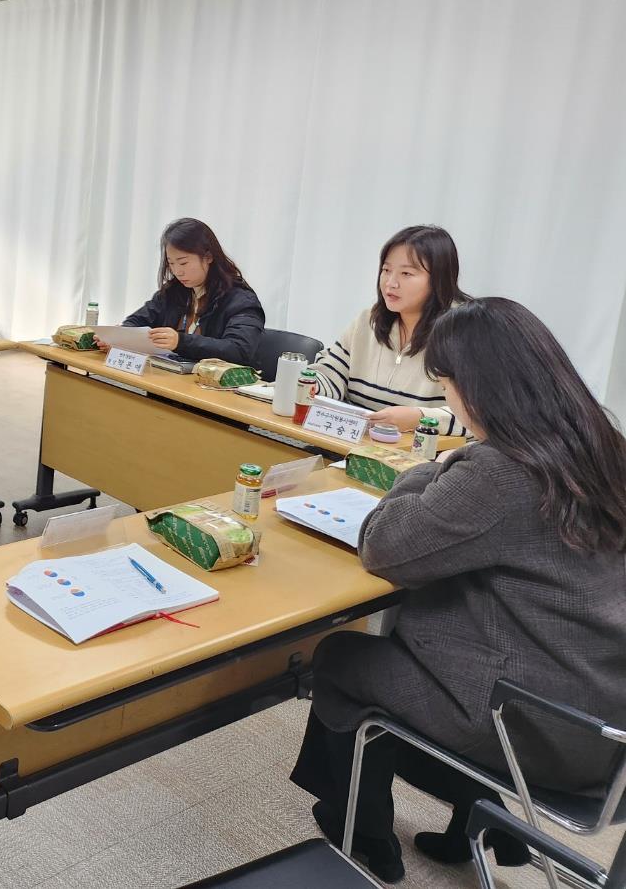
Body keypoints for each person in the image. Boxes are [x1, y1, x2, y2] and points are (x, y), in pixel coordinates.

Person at [290, 297, 626, 883]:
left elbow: (382, 544)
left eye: (445, 383)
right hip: (605, 717)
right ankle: (480, 828)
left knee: (343, 658)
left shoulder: (501, 471)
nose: (446, 397)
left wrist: (435, 464)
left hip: (535, 726)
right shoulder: (602, 448)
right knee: (460, 625)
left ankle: (366, 837)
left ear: (480, 387)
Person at [308, 225, 469, 435]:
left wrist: (420, 418)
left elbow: (481, 419)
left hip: (423, 458)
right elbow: (331, 376)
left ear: (439, 279)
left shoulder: (463, 333)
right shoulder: (368, 321)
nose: (390, 283)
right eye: (386, 270)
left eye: (406, 273)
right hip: (354, 445)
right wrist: (308, 384)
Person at [116, 218, 265, 367]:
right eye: (171, 263)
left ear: (208, 257)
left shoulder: (241, 301)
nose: (177, 271)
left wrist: (180, 342)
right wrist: (119, 337)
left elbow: (239, 351)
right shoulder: (174, 291)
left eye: (183, 263)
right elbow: (137, 321)